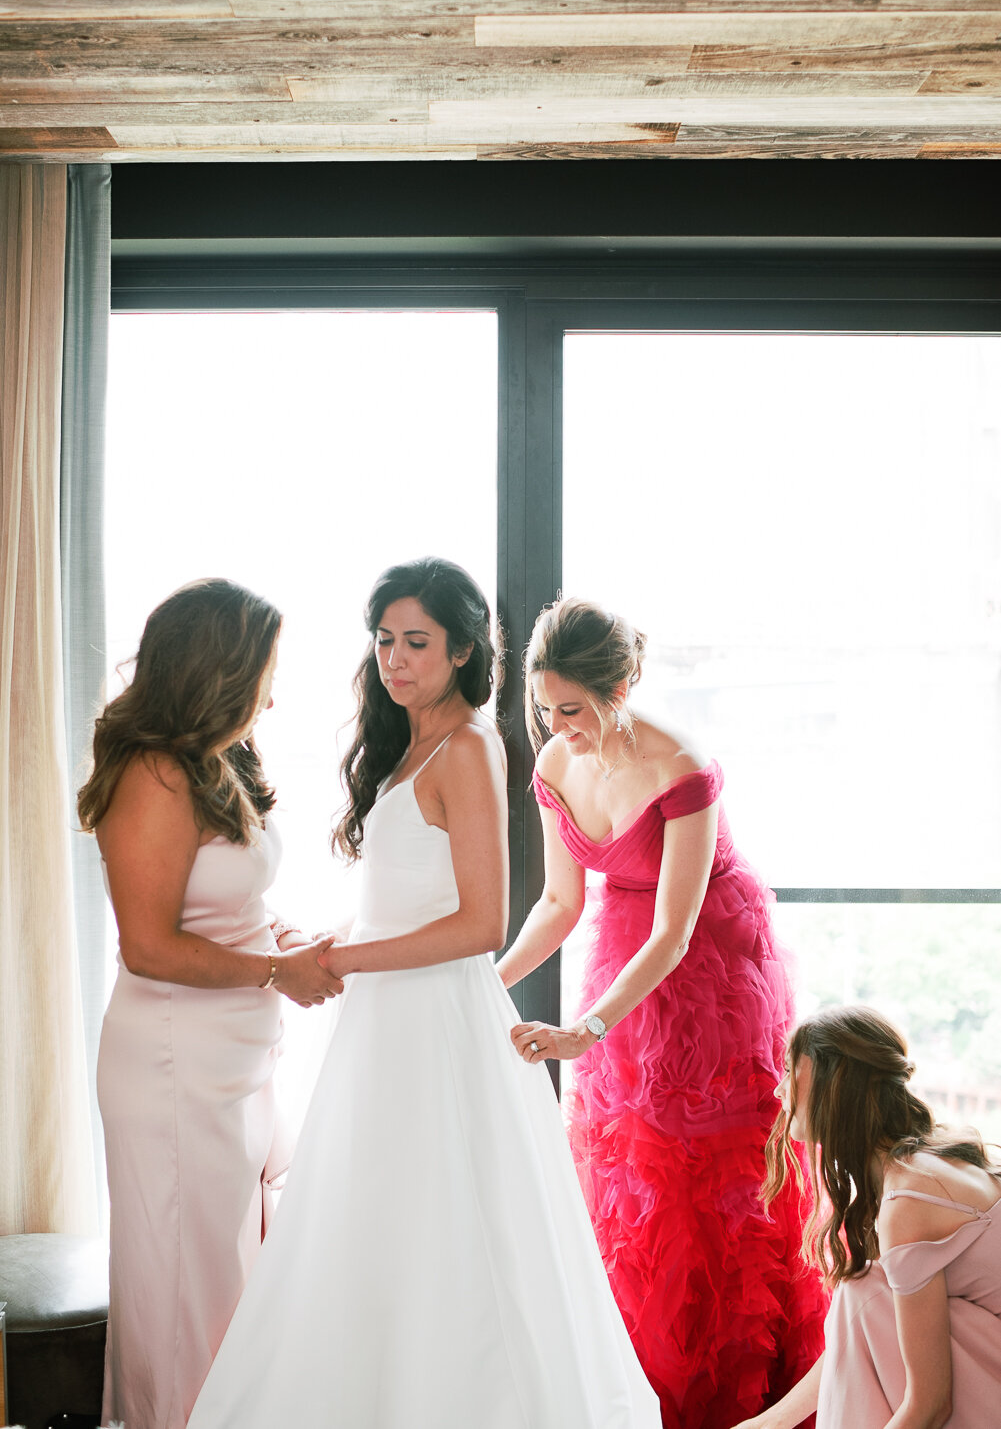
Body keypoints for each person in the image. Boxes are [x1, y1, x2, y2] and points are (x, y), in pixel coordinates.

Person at [188, 557, 660, 1429]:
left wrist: (348, 958)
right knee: (371, 1221)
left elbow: (482, 925)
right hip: (385, 1018)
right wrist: (328, 943)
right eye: (383, 640)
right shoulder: (408, 745)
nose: (395, 659)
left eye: (416, 642)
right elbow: (406, 897)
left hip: (436, 1018)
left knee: (447, 1222)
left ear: (460, 650)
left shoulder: (473, 745)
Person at [497, 597, 828, 1429]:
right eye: (545, 710)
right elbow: (557, 903)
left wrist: (587, 1029)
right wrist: (484, 983)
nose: (558, 727)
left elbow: (675, 933)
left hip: (710, 969)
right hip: (620, 958)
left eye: (572, 710)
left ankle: (728, 1396)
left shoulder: (680, 767)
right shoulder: (555, 766)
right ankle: (632, 1385)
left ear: (622, 686)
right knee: (629, 1177)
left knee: (709, 1179)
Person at [78, 578, 343, 1429]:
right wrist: (273, 973)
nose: (273, 688)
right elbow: (149, 945)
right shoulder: (153, 774)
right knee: (186, 1289)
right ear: (218, 671)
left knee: (228, 1271)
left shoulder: (220, 760)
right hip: (171, 1064)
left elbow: (216, 903)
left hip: (229, 1058)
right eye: (264, 668)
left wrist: (278, 934)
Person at [733, 1004, 1001, 1429]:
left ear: (833, 1087)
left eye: (790, 1071)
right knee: (865, 1288)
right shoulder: (914, 1164)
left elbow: (931, 1406)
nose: (778, 1090)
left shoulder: (911, 1197)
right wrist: (772, 1423)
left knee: (866, 1291)